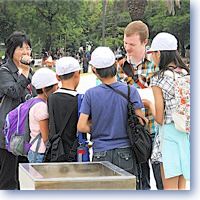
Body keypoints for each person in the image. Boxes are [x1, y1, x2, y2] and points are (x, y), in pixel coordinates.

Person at [77, 47, 147, 189]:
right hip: (126, 151)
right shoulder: (130, 91)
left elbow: (81, 126)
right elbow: (141, 120)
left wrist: (97, 127)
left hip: (100, 153)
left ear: (94, 70)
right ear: (115, 65)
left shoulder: (90, 94)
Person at [123, 20, 163, 190]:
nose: (127, 48)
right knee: (140, 182)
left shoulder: (156, 65)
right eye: (125, 43)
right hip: (133, 132)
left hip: (154, 129)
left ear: (145, 42)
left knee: (161, 180)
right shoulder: (119, 67)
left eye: (132, 44)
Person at [147, 32, 190, 190]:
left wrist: (148, 105)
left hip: (169, 137)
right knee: (182, 187)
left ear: (159, 53)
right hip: (185, 134)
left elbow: (159, 118)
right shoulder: (185, 74)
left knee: (170, 190)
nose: (152, 57)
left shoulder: (158, 78)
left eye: (152, 53)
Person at [0, 31, 37, 189]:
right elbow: (14, 91)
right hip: (8, 134)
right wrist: (25, 73)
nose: (26, 52)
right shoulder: (4, 72)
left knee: (25, 176)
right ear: (11, 50)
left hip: (26, 133)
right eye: (21, 48)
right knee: (8, 178)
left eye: (28, 48)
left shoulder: (30, 73)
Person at [47, 56, 81, 162]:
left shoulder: (51, 98)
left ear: (57, 77)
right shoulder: (80, 98)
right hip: (74, 152)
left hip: (55, 151)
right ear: (77, 74)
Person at [27, 68, 58, 163]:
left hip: (34, 149)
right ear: (45, 89)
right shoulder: (42, 107)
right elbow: (45, 137)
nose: (58, 89)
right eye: (56, 87)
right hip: (40, 152)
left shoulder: (34, 101)